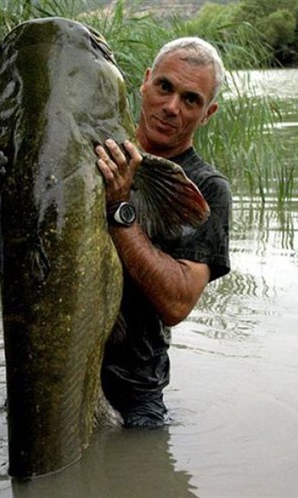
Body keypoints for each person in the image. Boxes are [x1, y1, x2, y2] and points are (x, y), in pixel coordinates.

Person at [94, 37, 232, 429]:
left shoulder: (207, 188)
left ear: (208, 113)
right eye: (165, 88)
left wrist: (120, 209)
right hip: (55, 366)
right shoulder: (96, 149)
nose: (171, 107)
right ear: (146, 82)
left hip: (134, 391)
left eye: (191, 100)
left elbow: (176, 303)